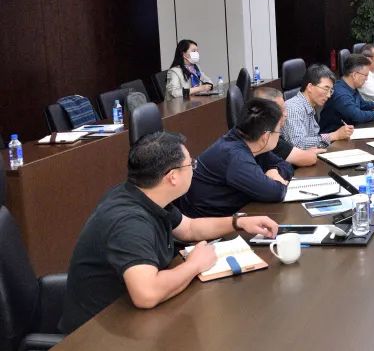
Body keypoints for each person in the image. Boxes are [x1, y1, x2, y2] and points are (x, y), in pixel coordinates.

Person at [60, 131, 278, 332]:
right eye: (191, 164)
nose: (194, 168)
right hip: (96, 332)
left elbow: (190, 228)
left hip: (128, 320)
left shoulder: (146, 194)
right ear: (172, 177)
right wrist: (195, 264)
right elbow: (146, 294)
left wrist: (238, 222)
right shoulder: (129, 222)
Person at [175, 98, 294, 217]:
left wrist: (275, 171)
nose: (279, 135)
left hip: (233, 213)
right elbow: (276, 193)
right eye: (279, 130)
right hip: (204, 221)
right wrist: (278, 181)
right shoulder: (235, 156)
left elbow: (286, 166)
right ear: (266, 136)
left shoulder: (250, 140)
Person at [319, 54, 374, 130]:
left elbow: (363, 104)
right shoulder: (340, 93)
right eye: (365, 75)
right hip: (333, 136)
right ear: (355, 75)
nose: (366, 79)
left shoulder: (350, 87)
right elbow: (357, 116)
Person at [285, 64, 354, 149]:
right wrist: (334, 136)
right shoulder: (293, 108)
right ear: (310, 87)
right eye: (326, 89)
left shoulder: (310, 106)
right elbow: (298, 144)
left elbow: (313, 140)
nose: (329, 95)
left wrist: (338, 136)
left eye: (331, 91)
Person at [252, 87, 318, 167]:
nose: (286, 114)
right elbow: (309, 158)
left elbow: (285, 166)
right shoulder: (268, 139)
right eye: (281, 110)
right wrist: (308, 153)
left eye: (285, 109)